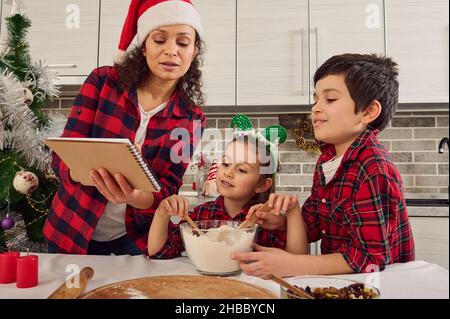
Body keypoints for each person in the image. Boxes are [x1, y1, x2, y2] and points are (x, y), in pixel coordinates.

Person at [43, 0, 206, 255]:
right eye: (159, 40)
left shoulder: (191, 118)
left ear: (194, 51)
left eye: (183, 43)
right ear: (143, 47)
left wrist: (132, 195)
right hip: (70, 229)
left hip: (132, 241)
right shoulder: (103, 82)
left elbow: (166, 190)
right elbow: (61, 159)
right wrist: (91, 173)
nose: (171, 51)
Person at [231, 53, 415, 277]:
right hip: (344, 283)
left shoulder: (373, 168)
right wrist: (281, 221)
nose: (316, 108)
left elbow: (370, 258)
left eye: (330, 99)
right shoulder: (327, 161)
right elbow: (315, 224)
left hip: (383, 283)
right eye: (315, 99)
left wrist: (290, 265)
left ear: (368, 111)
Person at [147, 114, 306, 258]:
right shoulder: (201, 215)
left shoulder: (267, 221)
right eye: (225, 163)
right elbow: (159, 252)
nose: (228, 173)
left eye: (242, 169)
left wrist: (292, 211)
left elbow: (296, 260)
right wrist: (161, 213)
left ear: (263, 185)